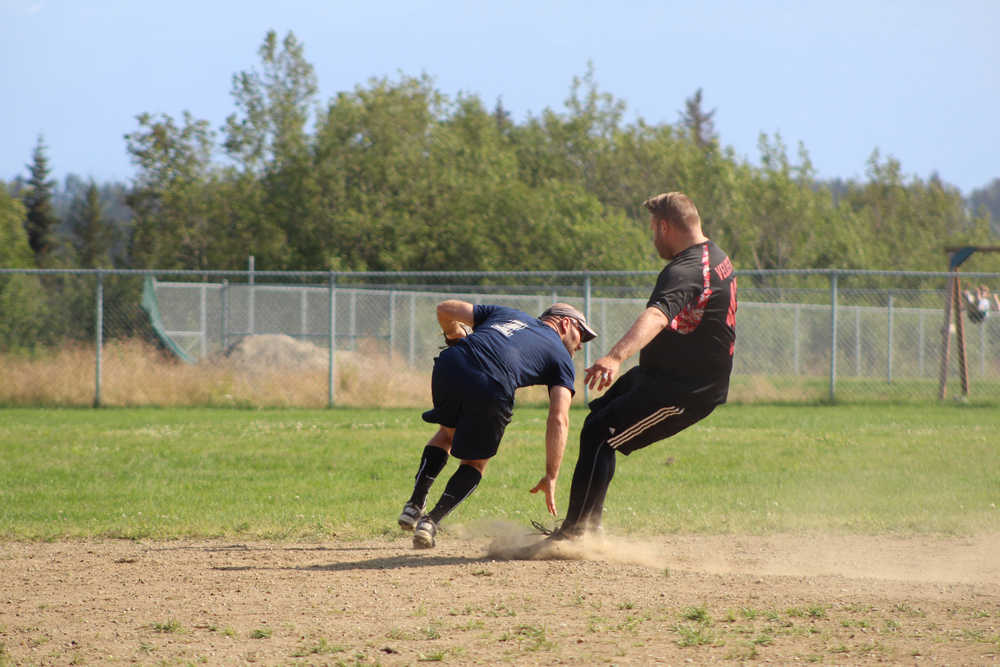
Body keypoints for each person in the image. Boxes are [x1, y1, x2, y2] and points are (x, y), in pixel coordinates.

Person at [551, 191, 737, 541]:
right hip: (663, 375)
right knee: (597, 422)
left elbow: (656, 316)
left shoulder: (684, 270)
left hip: (685, 390)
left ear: (665, 226)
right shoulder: (716, 257)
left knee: (601, 434)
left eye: (653, 229)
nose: (653, 238)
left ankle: (578, 533)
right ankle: (588, 527)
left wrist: (615, 356)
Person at [399, 299, 597, 549]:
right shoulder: (561, 358)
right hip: (491, 385)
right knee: (475, 462)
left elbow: (444, 309)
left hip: (451, 364)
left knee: (447, 435)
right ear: (564, 323)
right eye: (581, 334)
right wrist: (552, 474)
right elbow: (559, 418)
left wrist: (453, 335)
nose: (581, 345)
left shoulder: (507, 313)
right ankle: (431, 521)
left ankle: (414, 505)